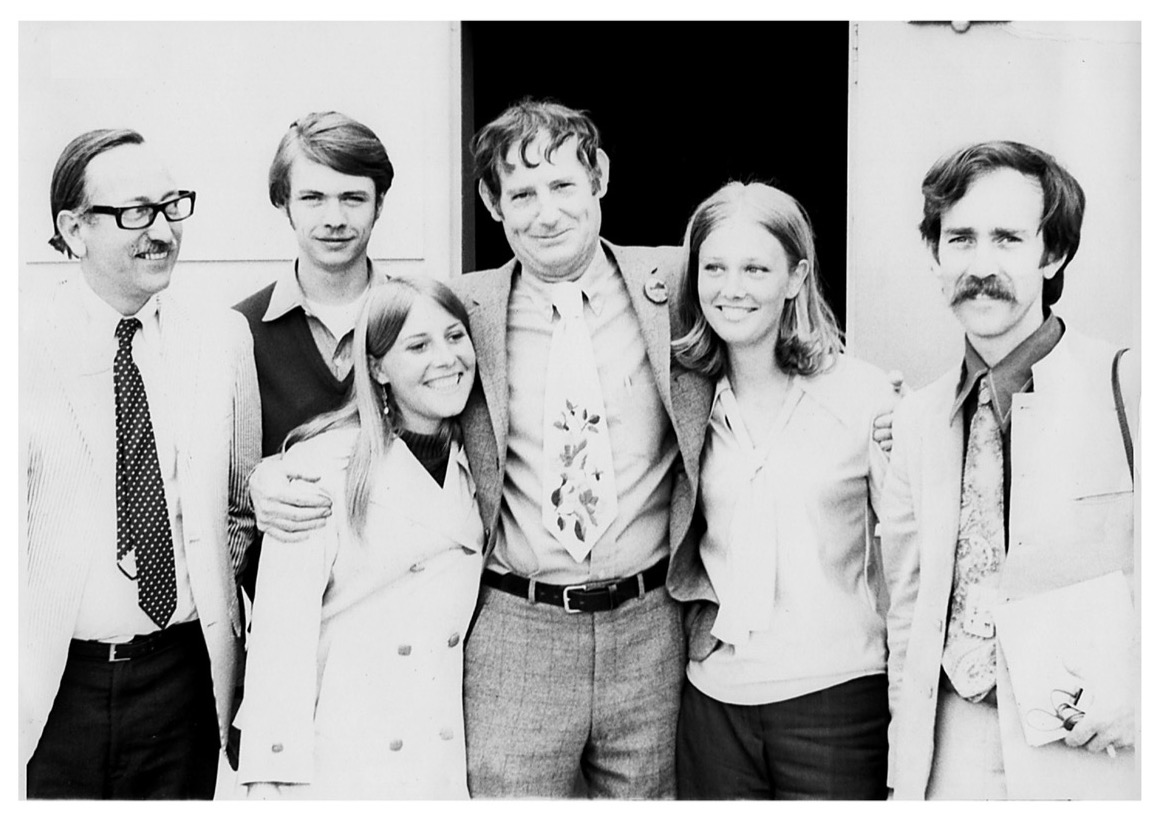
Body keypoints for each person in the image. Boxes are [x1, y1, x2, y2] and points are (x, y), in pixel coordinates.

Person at [449, 98, 714, 798]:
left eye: (563, 184)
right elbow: (379, 396)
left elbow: (775, 330)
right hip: (517, 630)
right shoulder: (461, 310)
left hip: (651, 628)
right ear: (492, 204)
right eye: (522, 194)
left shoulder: (677, 284)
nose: (547, 213)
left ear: (599, 178)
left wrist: (873, 410)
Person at [881, 140, 1139, 799]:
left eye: (1007, 239)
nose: (980, 266)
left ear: (1053, 254)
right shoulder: (917, 419)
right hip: (951, 751)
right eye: (960, 239)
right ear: (936, 255)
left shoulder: (1132, 389)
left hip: (1093, 756)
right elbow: (907, 615)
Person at [20, 129, 261, 798]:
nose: (161, 231)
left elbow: (239, 507)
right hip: (51, 686)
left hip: (182, 684)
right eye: (135, 212)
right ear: (74, 229)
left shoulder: (221, 338)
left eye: (171, 206)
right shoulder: (23, 346)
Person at [668, 182, 898, 799]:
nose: (731, 288)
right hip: (714, 701)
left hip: (835, 698)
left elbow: (908, 560)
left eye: (756, 269)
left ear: (796, 276)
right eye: (714, 268)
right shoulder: (683, 396)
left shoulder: (864, 395)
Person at [235, 276, 483, 799]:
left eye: (454, 336)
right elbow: (280, 641)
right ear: (378, 368)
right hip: (342, 764)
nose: (446, 359)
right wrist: (267, 783)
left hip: (438, 759)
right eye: (418, 346)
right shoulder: (321, 466)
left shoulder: (480, 462)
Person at [235, 111, 395, 596]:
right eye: (312, 198)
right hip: (288, 607)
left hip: (401, 602)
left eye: (353, 198)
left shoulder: (420, 323)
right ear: (284, 203)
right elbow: (225, 497)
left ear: (380, 203)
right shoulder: (239, 332)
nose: (334, 219)